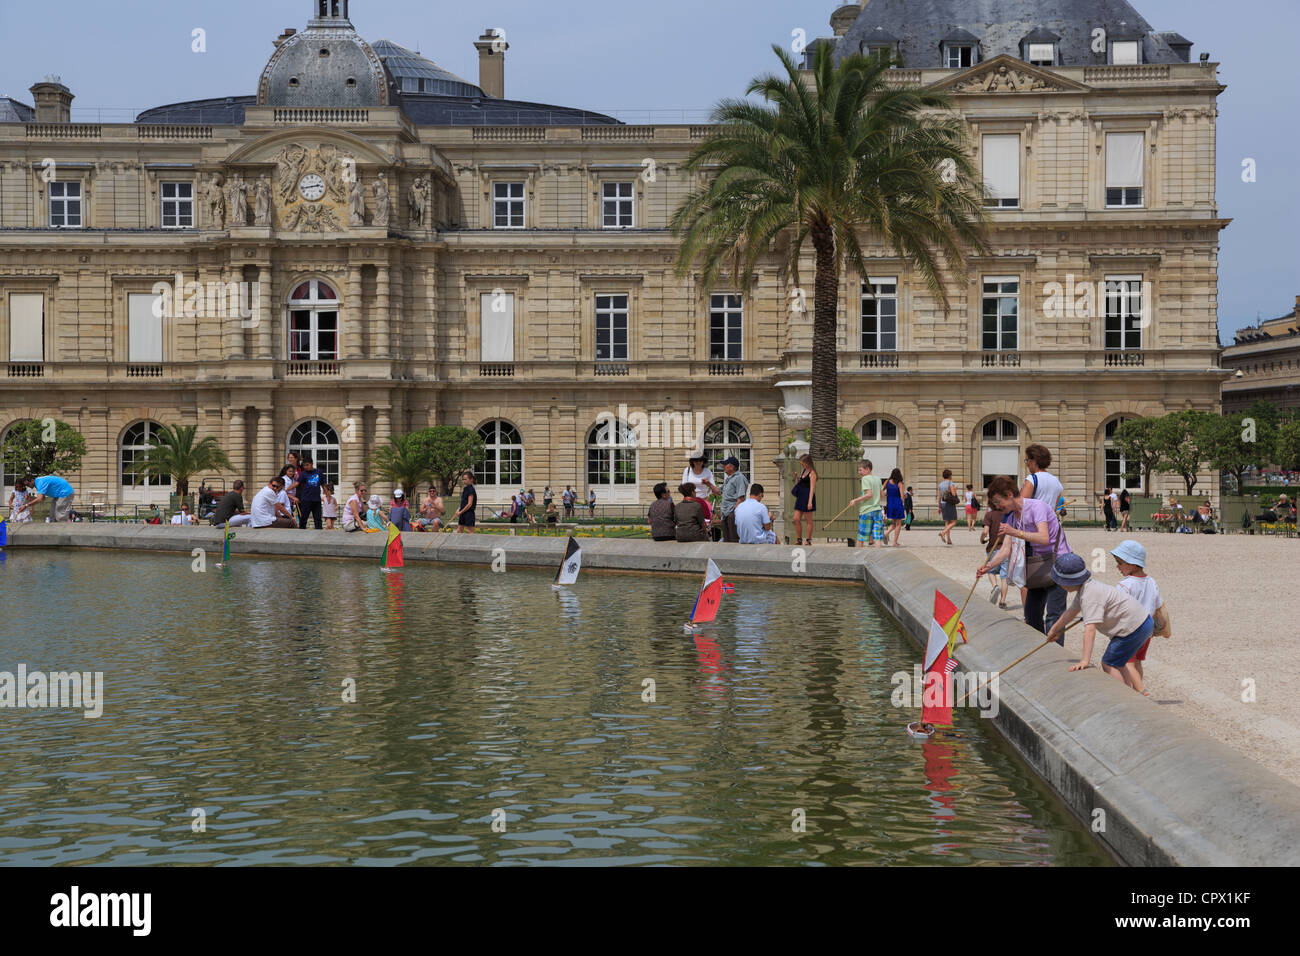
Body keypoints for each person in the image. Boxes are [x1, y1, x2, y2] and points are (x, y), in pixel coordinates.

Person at [978, 475, 1072, 638]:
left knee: (1054, 617)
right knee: (1032, 615)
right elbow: (1005, 549)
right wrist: (988, 566)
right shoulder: (1014, 517)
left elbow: (1044, 538)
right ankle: (1041, 651)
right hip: (1038, 566)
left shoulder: (1037, 507)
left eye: (998, 501)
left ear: (1009, 494)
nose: (997, 506)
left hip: (1059, 562)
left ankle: (1054, 655)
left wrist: (1014, 532)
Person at [1045, 553, 1151, 695]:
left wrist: (1085, 660)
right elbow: (1071, 612)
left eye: (1061, 582)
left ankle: (1123, 697)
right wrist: (1054, 630)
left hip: (1133, 627)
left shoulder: (1090, 595)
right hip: (1141, 623)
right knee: (1119, 661)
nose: (1060, 585)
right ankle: (1130, 692)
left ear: (1068, 582)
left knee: (1109, 662)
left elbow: (1090, 629)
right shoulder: (1085, 588)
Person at [1111, 539, 1166, 692]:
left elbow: (1119, 609)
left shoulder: (1125, 585)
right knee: (1137, 662)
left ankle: (1141, 691)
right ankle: (1137, 689)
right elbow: (1157, 605)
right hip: (1146, 630)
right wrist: (1160, 624)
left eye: (1120, 563)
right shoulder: (1151, 581)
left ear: (1132, 564)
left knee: (1127, 663)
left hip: (1131, 630)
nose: (1117, 566)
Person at [981, 500, 1010, 608]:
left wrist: (982, 539)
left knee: (991, 571)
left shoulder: (989, 515)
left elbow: (985, 531)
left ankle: (994, 586)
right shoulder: (1007, 515)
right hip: (1006, 547)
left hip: (993, 548)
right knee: (1004, 576)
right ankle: (1002, 601)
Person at [849, 459, 884, 548]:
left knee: (861, 537)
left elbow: (869, 495)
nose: (859, 472)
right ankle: (878, 557)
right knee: (877, 537)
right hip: (877, 511)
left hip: (866, 511)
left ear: (867, 469)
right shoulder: (878, 479)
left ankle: (857, 558)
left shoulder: (865, 479)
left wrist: (855, 500)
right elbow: (882, 495)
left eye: (860, 470)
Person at [1020, 444, 1064, 511]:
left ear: (1034, 461)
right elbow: (1054, 509)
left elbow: (1021, 505)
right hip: (1049, 520)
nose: (1026, 464)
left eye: (1027, 460)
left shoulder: (1032, 479)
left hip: (1034, 520)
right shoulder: (1056, 481)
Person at [717, 457, 747, 543]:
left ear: (731, 467)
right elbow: (718, 491)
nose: (723, 467)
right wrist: (708, 483)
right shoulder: (729, 479)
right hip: (726, 513)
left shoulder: (739, 478)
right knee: (727, 539)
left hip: (732, 513)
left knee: (734, 539)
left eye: (725, 465)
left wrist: (734, 512)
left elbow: (741, 498)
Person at [791, 453, 817, 546]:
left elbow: (812, 488)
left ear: (807, 462)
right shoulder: (804, 471)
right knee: (796, 519)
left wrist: (810, 501)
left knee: (808, 520)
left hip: (807, 497)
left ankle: (808, 540)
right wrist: (796, 478)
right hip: (800, 497)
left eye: (803, 463)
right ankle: (799, 539)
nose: (802, 464)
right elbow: (800, 484)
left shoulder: (812, 473)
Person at [296, 457, 324, 530]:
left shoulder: (319, 472)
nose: (305, 467)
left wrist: (327, 495)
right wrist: (286, 489)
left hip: (316, 499)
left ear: (312, 464)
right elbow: (296, 483)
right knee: (303, 518)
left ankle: (319, 533)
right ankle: (301, 532)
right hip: (306, 499)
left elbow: (323, 484)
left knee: (318, 518)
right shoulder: (303, 473)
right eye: (304, 466)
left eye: (307, 465)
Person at [884, 468, 905, 546]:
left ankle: (886, 533)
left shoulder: (887, 482)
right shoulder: (899, 483)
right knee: (898, 524)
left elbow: (881, 490)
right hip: (897, 503)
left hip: (890, 503)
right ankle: (894, 542)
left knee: (893, 523)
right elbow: (902, 496)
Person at [936, 469, 958, 545]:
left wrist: (939, 507)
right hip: (949, 504)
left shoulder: (940, 484)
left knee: (947, 521)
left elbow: (939, 497)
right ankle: (943, 532)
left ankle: (949, 540)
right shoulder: (951, 483)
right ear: (949, 476)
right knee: (954, 522)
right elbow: (954, 494)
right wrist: (955, 489)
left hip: (943, 504)